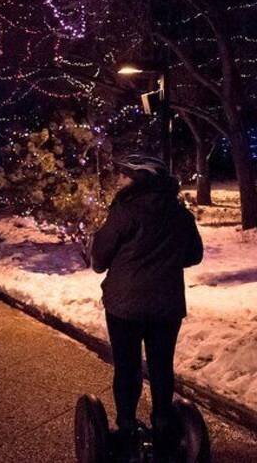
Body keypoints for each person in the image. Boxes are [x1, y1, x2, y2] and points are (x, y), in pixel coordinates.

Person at [92, 155, 203, 461]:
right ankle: (163, 425)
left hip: (124, 306)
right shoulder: (181, 215)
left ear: (140, 179)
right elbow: (193, 255)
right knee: (161, 366)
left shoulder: (124, 213)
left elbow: (98, 260)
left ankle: (127, 428)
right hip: (167, 305)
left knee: (127, 367)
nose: (118, 181)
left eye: (124, 176)